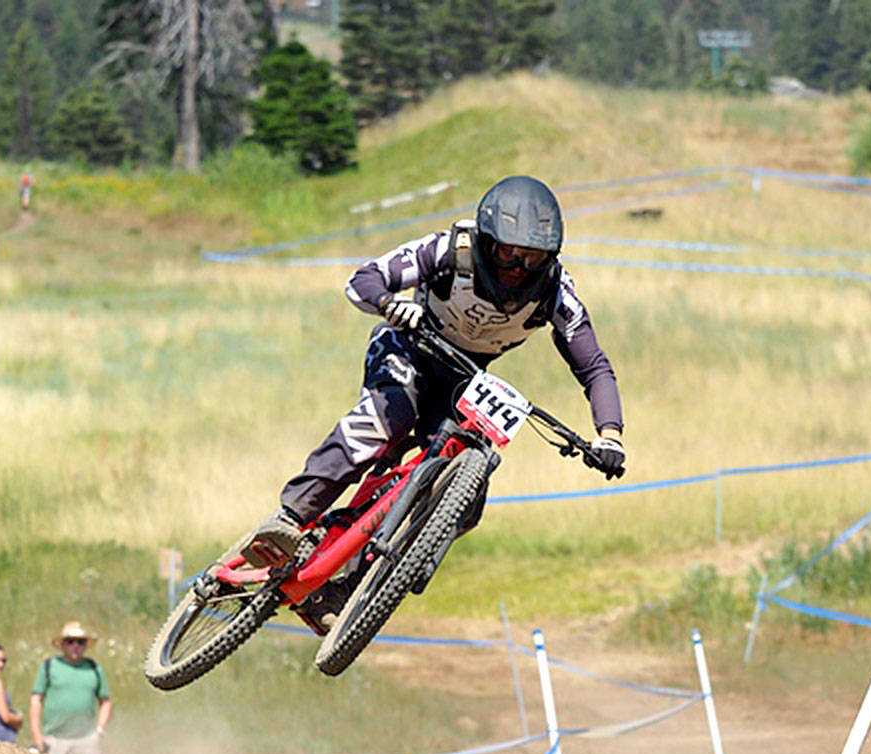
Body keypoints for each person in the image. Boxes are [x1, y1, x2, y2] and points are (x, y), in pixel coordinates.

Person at [242, 176, 626, 603]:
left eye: (532, 258)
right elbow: (363, 279)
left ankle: (350, 588)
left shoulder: (557, 293)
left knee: (468, 492)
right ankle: (291, 519)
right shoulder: (447, 251)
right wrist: (390, 304)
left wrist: (609, 435)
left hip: (464, 382)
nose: (518, 268)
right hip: (406, 349)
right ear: (486, 240)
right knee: (389, 418)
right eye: (508, 253)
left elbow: (593, 366)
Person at [29, 621, 112, 754]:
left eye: (80, 642)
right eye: (70, 641)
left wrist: (99, 731)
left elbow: (105, 701)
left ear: (85, 645)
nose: (75, 646)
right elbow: (36, 699)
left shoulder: (93, 668)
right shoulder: (49, 666)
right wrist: (36, 734)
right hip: (55, 740)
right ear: (62, 645)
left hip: (86, 741)